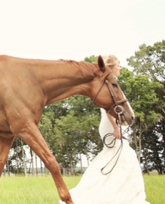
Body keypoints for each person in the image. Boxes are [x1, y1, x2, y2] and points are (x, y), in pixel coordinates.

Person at [60, 55, 150, 204]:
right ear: (112, 68)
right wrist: (115, 127)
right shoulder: (108, 84)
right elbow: (108, 109)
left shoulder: (112, 83)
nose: (120, 68)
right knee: (125, 156)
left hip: (112, 125)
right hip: (110, 126)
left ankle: (118, 193)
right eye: (118, 65)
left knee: (118, 157)